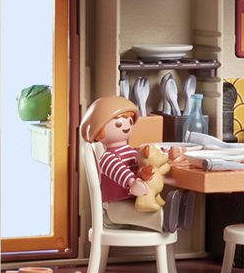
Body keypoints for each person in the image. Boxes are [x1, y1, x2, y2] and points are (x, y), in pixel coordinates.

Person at [79, 95, 191, 233]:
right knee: (146, 215)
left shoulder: (132, 151)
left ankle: (179, 215)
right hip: (114, 208)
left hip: (134, 200)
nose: (126, 126)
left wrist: (168, 154)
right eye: (119, 124)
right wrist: (132, 182)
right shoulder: (108, 158)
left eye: (130, 121)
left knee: (148, 208)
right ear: (99, 132)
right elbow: (119, 171)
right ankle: (164, 220)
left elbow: (149, 155)